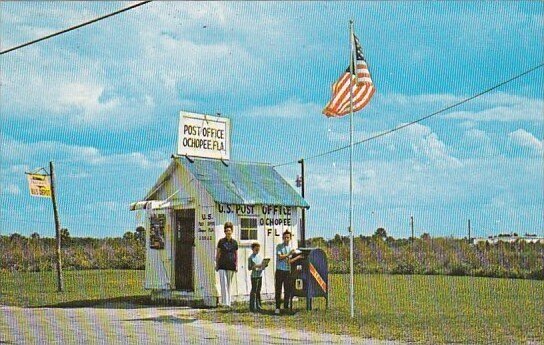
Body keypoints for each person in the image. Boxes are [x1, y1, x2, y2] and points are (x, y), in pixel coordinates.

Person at [215, 221, 238, 307]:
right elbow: (218, 253)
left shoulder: (235, 242)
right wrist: (217, 264)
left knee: (229, 284)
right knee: (223, 283)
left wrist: (236, 264)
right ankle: (224, 302)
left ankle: (228, 302)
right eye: (227, 230)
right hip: (222, 265)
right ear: (224, 231)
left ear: (232, 231)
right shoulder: (221, 241)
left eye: (230, 230)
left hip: (231, 265)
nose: (228, 232)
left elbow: (236, 254)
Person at [275, 230, 295, 315]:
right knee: (278, 289)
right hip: (280, 271)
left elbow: (289, 261)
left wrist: (298, 257)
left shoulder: (291, 248)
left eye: (288, 237)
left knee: (287, 290)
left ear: (290, 238)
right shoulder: (279, 246)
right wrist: (288, 254)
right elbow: (280, 257)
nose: (286, 239)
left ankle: (286, 306)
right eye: (285, 237)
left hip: (287, 271)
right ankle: (277, 307)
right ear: (283, 238)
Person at [248, 242, 265, 312]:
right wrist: (254, 266)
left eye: (258, 250)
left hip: (260, 275)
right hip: (254, 276)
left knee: (258, 291)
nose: (257, 251)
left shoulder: (260, 257)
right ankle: (252, 306)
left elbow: (262, 265)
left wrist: (264, 265)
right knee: (254, 291)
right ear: (253, 249)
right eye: (256, 250)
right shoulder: (251, 257)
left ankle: (259, 305)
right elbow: (249, 267)